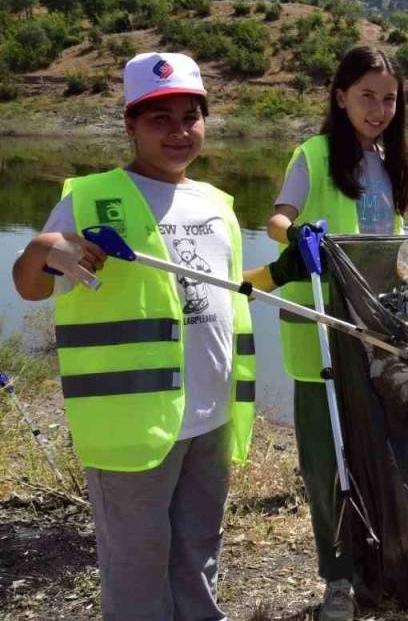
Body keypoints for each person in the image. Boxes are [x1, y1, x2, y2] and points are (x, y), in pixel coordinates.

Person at [11, 52, 310, 621]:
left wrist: (285, 269)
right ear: (130, 125)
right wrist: (41, 250)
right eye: (159, 119)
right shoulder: (91, 197)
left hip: (212, 414)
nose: (178, 132)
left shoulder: (218, 203)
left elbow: (222, 290)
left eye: (190, 117)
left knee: (198, 552)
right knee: (137, 563)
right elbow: (30, 288)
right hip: (130, 421)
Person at [265, 45, 408, 621]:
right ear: (340, 97)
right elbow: (278, 217)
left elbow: (393, 245)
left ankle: (375, 563)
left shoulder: (395, 163)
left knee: (376, 455)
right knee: (327, 462)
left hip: (375, 333)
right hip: (322, 334)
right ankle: (337, 580)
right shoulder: (315, 154)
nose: (378, 109)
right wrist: (297, 233)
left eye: (388, 98)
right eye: (366, 97)